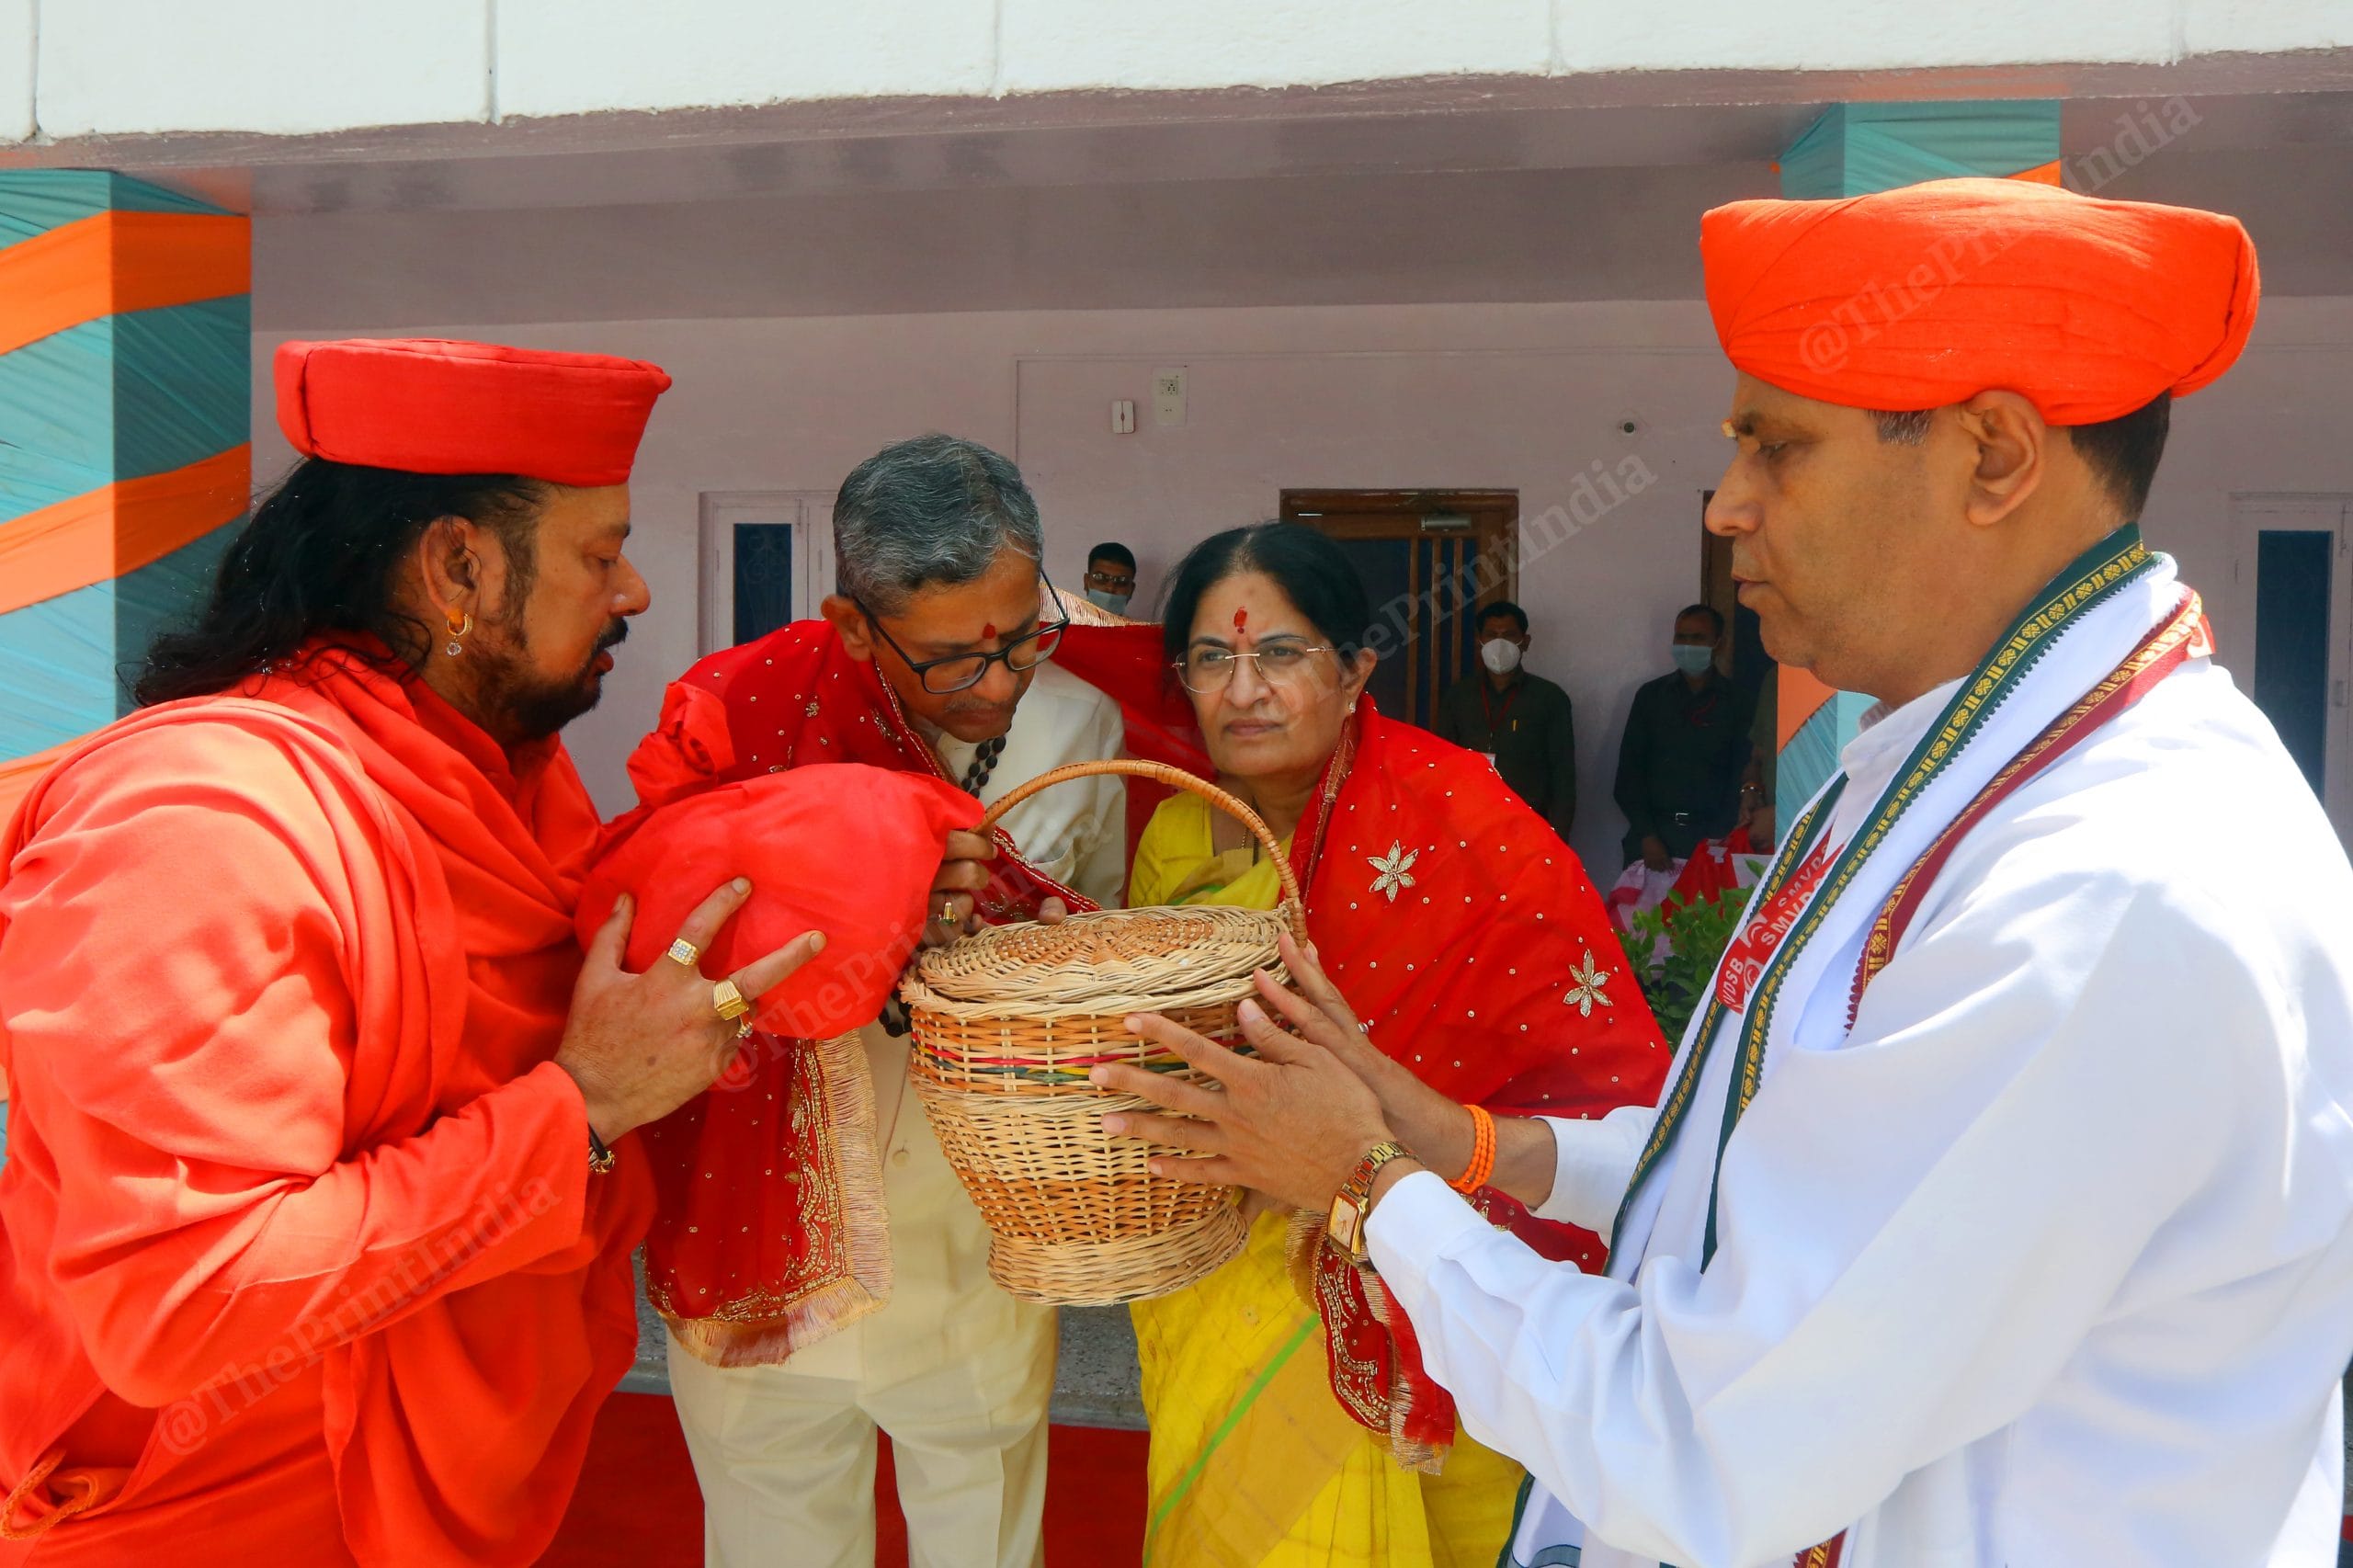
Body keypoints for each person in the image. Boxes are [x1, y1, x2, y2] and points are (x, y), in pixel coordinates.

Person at [1097, 178, 2353, 1567]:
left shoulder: (2111, 888)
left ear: (1995, 457)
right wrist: (1465, 1143)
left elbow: (1700, 1443)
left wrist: (1364, 1178)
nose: (1731, 505)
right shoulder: (1940, 764)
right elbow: (1762, 1155)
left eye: (1779, 447)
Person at [0, 339, 829, 1565]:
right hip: (206, 1518)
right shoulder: (202, 822)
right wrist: (582, 1108)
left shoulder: (507, 789)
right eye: (600, 553)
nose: (635, 590)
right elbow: (182, 1303)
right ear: (457, 564)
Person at [624, 435, 1128, 1568]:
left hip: (973, 1240)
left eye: (1023, 639)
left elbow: (1094, 943)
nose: (998, 685)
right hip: (759, 1232)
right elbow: (660, 927)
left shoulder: (1080, 727)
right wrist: (852, 875)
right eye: (954, 660)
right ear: (852, 624)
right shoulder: (736, 714)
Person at [1124, 522, 1667, 1568]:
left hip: (1421, 1259)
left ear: (1354, 667)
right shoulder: (1176, 830)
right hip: (1217, 1260)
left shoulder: (1463, 819)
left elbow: (1589, 1073)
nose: (1243, 690)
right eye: (1211, 658)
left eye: (1280, 654)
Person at [1612, 604, 1754, 871]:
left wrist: (1717, 839)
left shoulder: (1738, 701)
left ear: (1718, 643)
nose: (1688, 645)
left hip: (1714, 839)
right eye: (1681, 637)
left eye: (1698, 638)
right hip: (1652, 841)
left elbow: (1742, 769)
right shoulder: (1651, 697)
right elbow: (1628, 775)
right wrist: (1647, 835)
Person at [1432, 599, 1578, 840]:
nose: (1499, 643)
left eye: (1509, 635)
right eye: (1491, 635)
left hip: (1528, 824)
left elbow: (1563, 774)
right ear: (1479, 642)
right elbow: (1442, 764)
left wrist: (1558, 836)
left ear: (1525, 642)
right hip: (1467, 823)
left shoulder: (1550, 698)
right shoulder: (1458, 696)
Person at [1082, 540, 1138, 615]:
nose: (1110, 588)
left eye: (1121, 581)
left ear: (1131, 590)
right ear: (1086, 582)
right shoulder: (1064, 624)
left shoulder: (1137, 626)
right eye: (1101, 578)